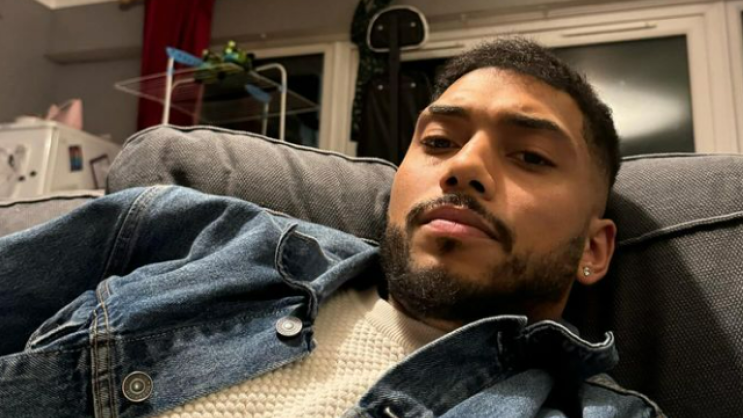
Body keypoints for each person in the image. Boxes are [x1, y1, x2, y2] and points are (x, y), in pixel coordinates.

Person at [0, 38, 664, 418]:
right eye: (438, 142)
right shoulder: (208, 237)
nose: (463, 167)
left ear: (594, 249)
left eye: (531, 157)